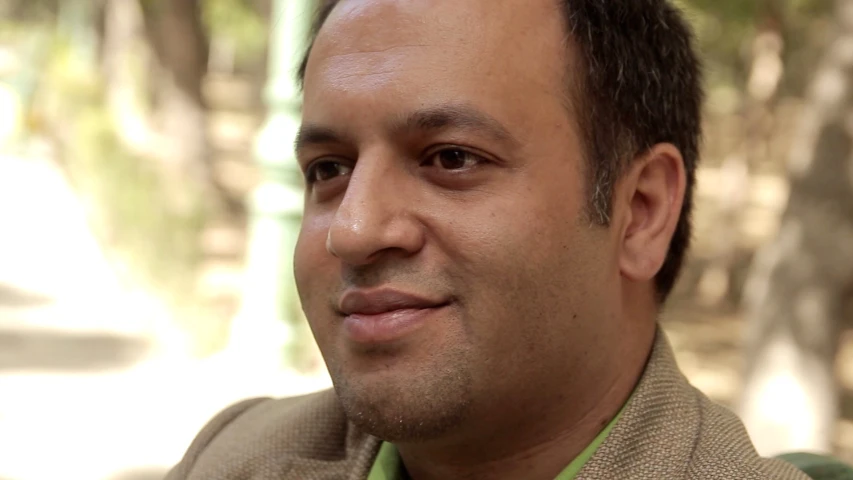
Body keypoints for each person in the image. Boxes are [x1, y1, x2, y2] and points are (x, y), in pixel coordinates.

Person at [165, 0, 812, 478]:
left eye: (450, 158)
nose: (355, 230)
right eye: (328, 170)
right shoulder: (233, 458)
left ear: (639, 211)